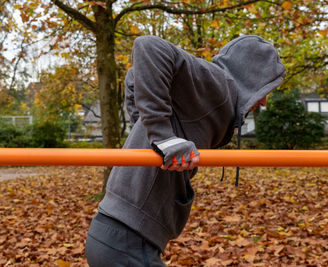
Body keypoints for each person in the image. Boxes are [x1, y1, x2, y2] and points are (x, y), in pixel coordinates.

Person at [85, 35, 286, 266]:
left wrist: (147, 126)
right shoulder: (219, 85)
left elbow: (133, 79)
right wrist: (162, 135)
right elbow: (149, 46)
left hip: (119, 234)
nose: (263, 102)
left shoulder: (214, 95)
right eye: (266, 88)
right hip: (127, 240)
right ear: (251, 76)